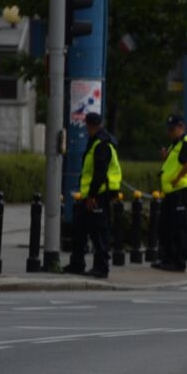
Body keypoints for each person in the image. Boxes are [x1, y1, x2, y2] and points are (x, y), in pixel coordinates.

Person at [63, 112, 121, 278]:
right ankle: (77, 263)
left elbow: (100, 173)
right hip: (91, 194)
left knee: (99, 232)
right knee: (80, 229)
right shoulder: (97, 141)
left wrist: (92, 196)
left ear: (89, 125)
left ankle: (101, 267)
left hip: (98, 195)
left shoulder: (102, 144)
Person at [152, 113, 187, 272]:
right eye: (168, 129)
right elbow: (174, 164)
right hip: (171, 192)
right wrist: (166, 157)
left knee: (179, 228)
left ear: (181, 128)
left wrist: (177, 178)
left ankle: (178, 262)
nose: (169, 132)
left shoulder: (186, 143)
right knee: (166, 227)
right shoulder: (174, 145)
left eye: (173, 129)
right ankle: (167, 259)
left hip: (181, 191)